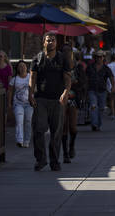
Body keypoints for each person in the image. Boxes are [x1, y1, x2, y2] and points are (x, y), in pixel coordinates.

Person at [29, 31, 71, 171]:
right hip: (41, 99)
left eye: (53, 40)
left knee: (56, 132)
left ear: (56, 43)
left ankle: (54, 161)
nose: (50, 42)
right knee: (38, 130)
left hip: (57, 100)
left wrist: (65, 92)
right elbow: (32, 78)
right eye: (48, 40)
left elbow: (67, 78)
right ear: (44, 43)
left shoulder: (62, 59)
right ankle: (40, 160)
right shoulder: (37, 59)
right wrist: (30, 94)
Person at [61, 47, 81, 163]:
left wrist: (75, 84)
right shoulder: (59, 67)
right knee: (63, 127)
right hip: (62, 100)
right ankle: (65, 153)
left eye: (69, 53)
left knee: (73, 127)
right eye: (65, 53)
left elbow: (83, 82)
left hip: (73, 100)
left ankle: (72, 145)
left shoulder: (77, 69)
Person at [86, 52, 114, 131]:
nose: (99, 59)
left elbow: (111, 77)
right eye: (97, 57)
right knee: (93, 106)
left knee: (101, 108)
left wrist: (113, 87)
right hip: (92, 90)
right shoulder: (90, 67)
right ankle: (94, 124)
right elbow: (86, 77)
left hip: (102, 91)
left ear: (103, 58)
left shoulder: (106, 68)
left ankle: (98, 124)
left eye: (100, 57)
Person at [8, 60, 32, 148]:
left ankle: (27, 140)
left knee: (28, 121)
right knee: (19, 121)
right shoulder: (14, 79)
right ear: (17, 68)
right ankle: (20, 140)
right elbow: (10, 91)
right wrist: (9, 103)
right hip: (18, 104)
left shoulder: (30, 77)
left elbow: (34, 89)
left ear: (26, 67)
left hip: (29, 103)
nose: (22, 68)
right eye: (20, 66)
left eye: (23, 66)